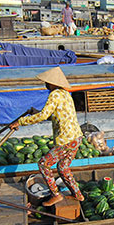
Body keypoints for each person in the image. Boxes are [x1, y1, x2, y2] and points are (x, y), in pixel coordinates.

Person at [10, 67, 84, 206]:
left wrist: (20, 121)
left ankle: (56, 195)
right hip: (76, 137)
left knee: (44, 164)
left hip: (66, 139)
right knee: (63, 167)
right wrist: (35, 112)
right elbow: (55, 114)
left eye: (47, 82)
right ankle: (78, 195)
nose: (45, 85)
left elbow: (44, 116)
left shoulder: (54, 95)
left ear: (52, 83)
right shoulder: (66, 94)